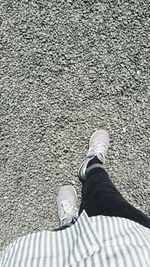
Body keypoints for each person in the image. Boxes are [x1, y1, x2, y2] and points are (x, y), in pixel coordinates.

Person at [0, 129, 150, 267]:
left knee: (62, 239)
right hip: (135, 244)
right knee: (104, 195)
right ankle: (92, 165)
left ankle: (69, 223)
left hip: (40, 259)